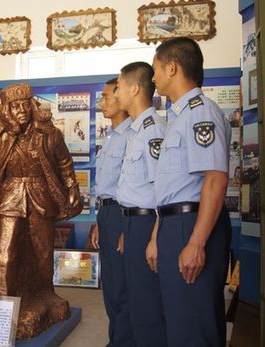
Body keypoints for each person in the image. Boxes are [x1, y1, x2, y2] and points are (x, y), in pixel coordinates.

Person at [0, 83, 82, 339]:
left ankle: (45, 294)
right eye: (14, 106)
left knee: (42, 251)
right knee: (5, 253)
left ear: (32, 105)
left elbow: (64, 161)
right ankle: (3, 304)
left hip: (41, 194)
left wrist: (71, 186)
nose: (21, 111)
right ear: (7, 108)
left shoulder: (48, 131)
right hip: (10, 194)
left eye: (25, 104)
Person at [151, 37, 232, 347]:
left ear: (172, 68)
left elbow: (215, 178)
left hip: (193, 225)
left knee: (195, 323)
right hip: (176, 224)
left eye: (157, 69)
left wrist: (197, 242)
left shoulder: (201, 112)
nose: (154, 77)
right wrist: (160, 235)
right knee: (179, 317)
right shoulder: (178, 117)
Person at [114, 62, 167, 347]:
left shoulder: (153, 130)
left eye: (120, 86)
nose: (116, 92)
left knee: (147, 303)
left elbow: (163, 190)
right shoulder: (136, 130)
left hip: (149, 224)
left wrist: (155, 237)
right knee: (134, 298)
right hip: (134, 223)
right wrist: (126, 227)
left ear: (135, 88)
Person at [90, 78, 134, 346]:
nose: (101, 103)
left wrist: (126, 226)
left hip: (123, 214)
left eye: (106, 97)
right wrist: (98, 220)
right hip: (106, 213)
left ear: (123, 98)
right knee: (109, 285)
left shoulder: (133, 135)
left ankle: (124, 341)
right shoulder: (111, 136)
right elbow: (106, 187)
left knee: (123, 285)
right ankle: (116, 338)